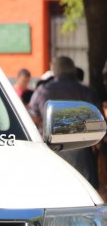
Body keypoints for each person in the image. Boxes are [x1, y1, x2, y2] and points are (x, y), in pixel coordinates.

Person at [29, 56, 99, 188]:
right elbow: (98, 123)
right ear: (73, 70)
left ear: (54, 71)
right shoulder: (87, 92)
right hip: (81, 154)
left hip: (51, 152)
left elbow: (33, 118)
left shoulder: (43, 90)